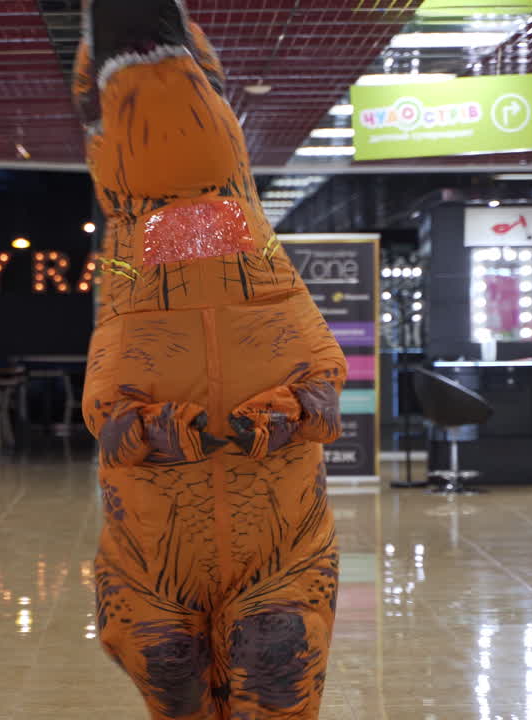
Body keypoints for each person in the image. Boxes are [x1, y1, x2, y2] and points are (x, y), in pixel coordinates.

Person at [75, 1, 346, 718]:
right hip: (157, 553)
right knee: (170, 660)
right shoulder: (135, 262)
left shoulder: (146, 257)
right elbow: (108, 400)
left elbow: (316, 372)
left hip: (275, 548)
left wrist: (302, 408)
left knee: (275, 651)